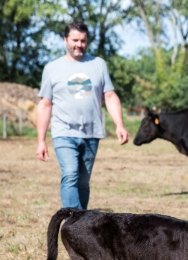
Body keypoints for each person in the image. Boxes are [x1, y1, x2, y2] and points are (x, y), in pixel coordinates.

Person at [35, 19, 129, 209]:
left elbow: (110, 96)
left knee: (83, 183)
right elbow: (45, 105)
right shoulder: (52, 68)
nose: (79, 45)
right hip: (63, 132)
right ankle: (74, 223)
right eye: (75, 40)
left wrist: (119, 124)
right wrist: (41, 140)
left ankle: (81, 225)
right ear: (65, 40)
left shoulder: (98, 64)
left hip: (91, 133)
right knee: (70, 174)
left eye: (83, 41)